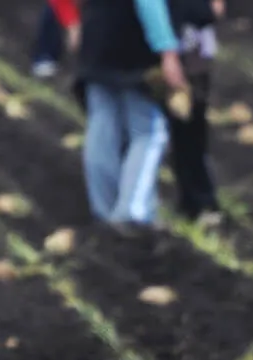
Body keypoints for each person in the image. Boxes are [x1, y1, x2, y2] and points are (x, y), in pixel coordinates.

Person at [72, 0, 191, 226]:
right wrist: (167, 50)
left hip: (96, 38)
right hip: (133, 47)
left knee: (102, 125)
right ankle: (133, 211)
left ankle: (105, 211)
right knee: (148, 132)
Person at [165, 0, 225, 227]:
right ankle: (199, 201)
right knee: (188, 134)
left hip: (187, 60)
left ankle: (197, 202)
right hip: (184, 61)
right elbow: (207, 12)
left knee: (186, 133)